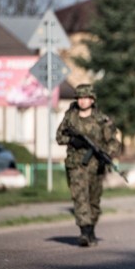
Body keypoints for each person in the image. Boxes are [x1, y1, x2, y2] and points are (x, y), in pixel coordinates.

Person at [56, 84, 121, 247]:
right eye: (79, 98)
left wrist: (106, 153)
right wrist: (72, 140)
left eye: (86, 98)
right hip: (76, 164)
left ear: (92, 100)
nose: (83, 101)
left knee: (94, 200)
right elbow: (59, 137)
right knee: (80, 197)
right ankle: (84, 231)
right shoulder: (70, 118)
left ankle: (91, 228)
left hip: (96, 165)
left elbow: (114, 142)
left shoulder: (102, 120)